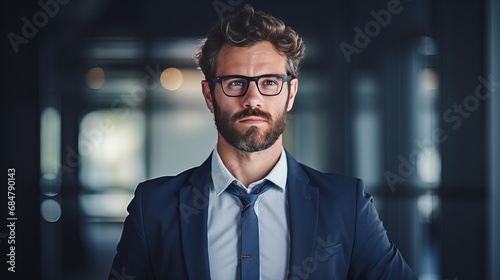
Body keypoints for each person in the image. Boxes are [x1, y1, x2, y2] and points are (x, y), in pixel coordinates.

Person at [109, 4, 418, 280]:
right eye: (235, 83)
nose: (252, 98)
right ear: (209, 95)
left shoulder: (346, 204)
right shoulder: (153, 208)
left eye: (269, 82)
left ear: (291, 93)